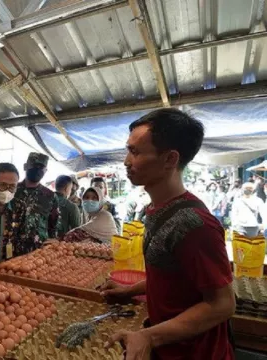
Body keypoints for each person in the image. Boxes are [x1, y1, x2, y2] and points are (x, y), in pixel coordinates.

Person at [100, 108, 235, 360]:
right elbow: (175, 279)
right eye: (128, 150)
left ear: (170, 160)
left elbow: (223, 303)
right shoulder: (156, 210)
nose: (126, 161)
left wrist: (149, 336)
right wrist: (130, 290)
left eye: (136, 152)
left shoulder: (196, 225)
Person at [13, 152, 58, 255]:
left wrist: (52, 244)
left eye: (41, 167)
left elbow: (53, 225)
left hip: (39, 252)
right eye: (34, 165)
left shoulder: (50, 196)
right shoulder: (13, 190)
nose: (37, 169)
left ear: (45, 171)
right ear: (25, 166)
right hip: (13, 249)